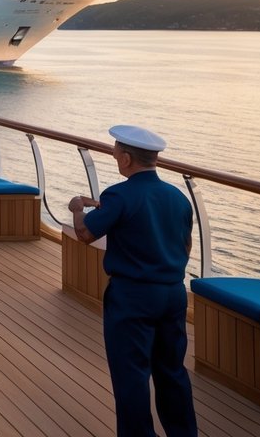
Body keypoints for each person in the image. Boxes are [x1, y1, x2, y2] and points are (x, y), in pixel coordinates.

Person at [70, 125, 197, 437]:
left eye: (115, 154)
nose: (115, 158)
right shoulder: (178, 197)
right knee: (171, 371)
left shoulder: (119, 194)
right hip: (172, 294)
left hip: (133, 298)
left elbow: (86, 234)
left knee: (132, 375)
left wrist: (77, 209)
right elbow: (186, 246)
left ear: (126, 159)